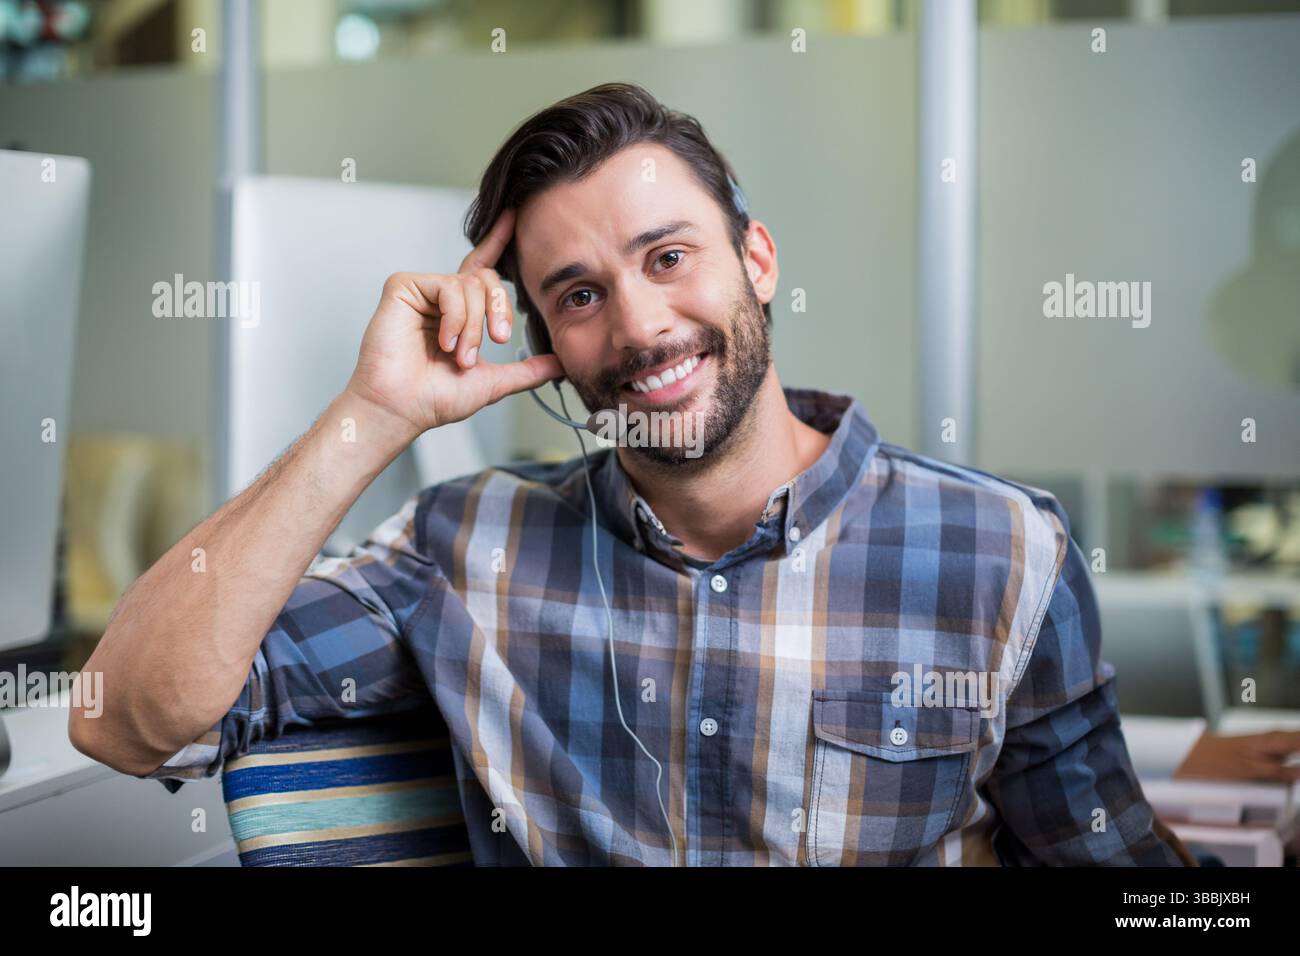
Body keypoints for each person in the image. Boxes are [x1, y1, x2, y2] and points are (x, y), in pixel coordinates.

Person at [71, 82, 1197, 866]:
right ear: (545, 339)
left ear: (754, 260)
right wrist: (372, 414)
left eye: (668, 257)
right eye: (578, 292)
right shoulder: (464, 550)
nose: (642, 325)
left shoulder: (997, 548)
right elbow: (124, 717)